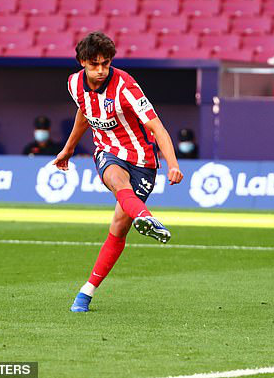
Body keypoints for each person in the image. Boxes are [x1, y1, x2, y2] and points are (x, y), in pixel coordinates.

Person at [53, 31, 183, 313]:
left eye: (106, 64)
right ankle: (145, 217)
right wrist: (69, 148)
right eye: (94, 64)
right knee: (114, 177)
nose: (100, 70)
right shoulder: (74, 84)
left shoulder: (126, 86)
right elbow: (84, 113)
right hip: (108, 151)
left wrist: (172, 163)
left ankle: (86, 293)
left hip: (143, 161)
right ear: (82, 62)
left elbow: (156, 127)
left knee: (118, 228)